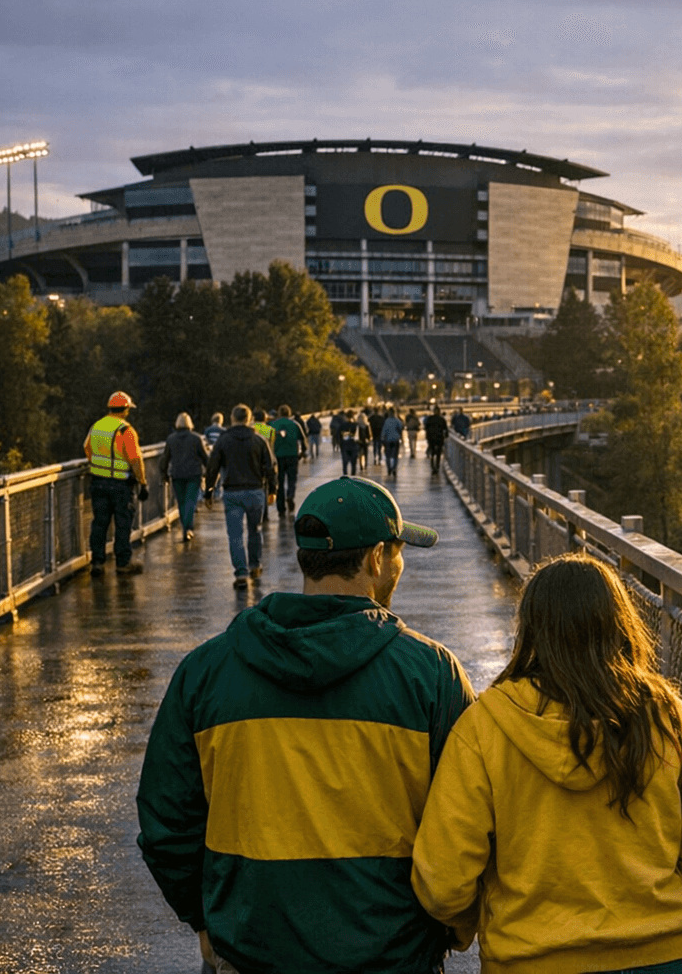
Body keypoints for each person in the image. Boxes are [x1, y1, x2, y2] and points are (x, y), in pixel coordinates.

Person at [137, 476, 475, 974]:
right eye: (399, 552)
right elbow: (469, 821)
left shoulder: (206, 672)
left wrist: (208, 919)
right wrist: (447, 926)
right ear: (377, 559)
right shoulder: (431, 674)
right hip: (393, 955)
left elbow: (166, 822)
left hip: (250, 952)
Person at [413, 554, 682, 973]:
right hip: (662, 957)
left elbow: (442, 882)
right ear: (619, 624)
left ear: (530, 629)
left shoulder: (484, 727)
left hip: (530, 960)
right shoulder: (670, 719)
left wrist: (474, 925)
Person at [203, 404, 275, 589]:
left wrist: (209, 491)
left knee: (235, 534)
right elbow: (269, 467)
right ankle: (255, 564)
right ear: (249, 418)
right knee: (255, 530)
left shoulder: (223, 440)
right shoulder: (259, 440)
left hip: (232, 492)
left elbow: (213, 467)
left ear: (232, 418)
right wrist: (273, 490)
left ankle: (241, 573)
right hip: (255, 491)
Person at [84, 390, 148, 576]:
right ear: (126, 409)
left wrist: (99, 465)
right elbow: (135, 459)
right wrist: (142, 482)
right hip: (120, 485)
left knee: (100, 523)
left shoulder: (97, 426)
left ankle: (97, 562)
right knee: (122, 523)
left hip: (98, 482)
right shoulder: (125, 430)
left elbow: (87, 448)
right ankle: (122, 563)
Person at [161, 412, 209, 542]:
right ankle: (188, 528)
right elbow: (205, 457)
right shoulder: (196, 438)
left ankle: (185, 528)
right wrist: (209, 472)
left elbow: (165, 458)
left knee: (181, 502)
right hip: (194, 474)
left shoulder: (171, 439)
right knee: (190, 501)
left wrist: (164, 473)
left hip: (177, 474)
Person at [270, 404, 306, 516]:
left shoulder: (273, 424)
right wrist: (302, 452)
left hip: (277, 457)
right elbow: (303, 439)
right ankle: (290, 495)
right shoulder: (295, 424)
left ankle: (281, 508)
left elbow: (262, 435)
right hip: (292, 455)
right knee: (292, 479)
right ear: (289, 413)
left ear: (279, 413)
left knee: (279, 483)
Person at [422, 405, 449, 476]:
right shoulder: (442, 419)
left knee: (432, 453)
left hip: (431, 438)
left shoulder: (430, 419)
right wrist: (446, 435)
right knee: (438, 454)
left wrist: (427, 437)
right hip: (439, 438)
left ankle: (433, 467)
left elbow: (426, 428)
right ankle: (437, 466)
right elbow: (446, 429)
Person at [381, 405, 405, 477]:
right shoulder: (397, 421)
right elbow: (401, 427)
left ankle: (389, 468)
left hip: (388, 440)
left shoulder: (387, 421)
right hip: (395, 439)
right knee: (395, 456)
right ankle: (394, 468)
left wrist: (382, 439)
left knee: (388, 455)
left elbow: (384, 431)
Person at [340, 409, 362, 476]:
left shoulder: (342, 425)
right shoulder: (355, 425)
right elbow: (358, 437)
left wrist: (341, 444)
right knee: (353, 464)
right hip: (353, 446)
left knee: (345, 464)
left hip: (345, 445)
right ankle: (353, 478)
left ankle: (345, 477)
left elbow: (339, 436)